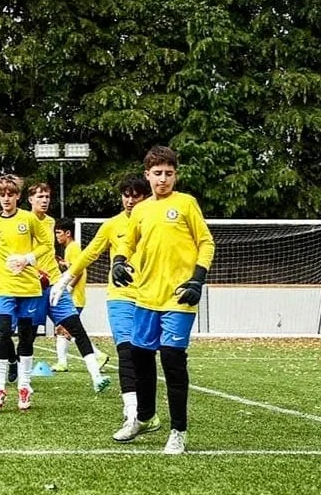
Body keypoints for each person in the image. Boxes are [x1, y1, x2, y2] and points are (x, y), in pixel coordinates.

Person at [111, 146, 214, 455]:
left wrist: (197, 279)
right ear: (148, 175)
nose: (163, 179)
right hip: (145, 297)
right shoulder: (141, 210)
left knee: (171, 360)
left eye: (169, 173)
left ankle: (178, 431)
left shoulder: (186, 204)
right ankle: (142, 417)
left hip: (179, 298)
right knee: (140, 357)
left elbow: (206, 242)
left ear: (175, 175)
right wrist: (118, 261)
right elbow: (127, 241)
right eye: (157, 173)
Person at [50, 175, 150, 433]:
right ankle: (131, 413)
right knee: (126, 350)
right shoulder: (112, 225)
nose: (130, 200)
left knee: (146, 355)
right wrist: (64, 280)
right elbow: (89, 254)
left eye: (135, 195)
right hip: (120, 296)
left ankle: (147, 411)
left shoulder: (156, 220)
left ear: (145, 196)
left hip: (152, 295)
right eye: (126, 195)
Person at [27, 184, 110, 394]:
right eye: (40, 196)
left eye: (47, 196)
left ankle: (96, 377)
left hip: (55, 285)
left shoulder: (51, 222)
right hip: (32, 287)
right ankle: (22, 380)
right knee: (27, 334)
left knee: (76, 329)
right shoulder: (22, 222)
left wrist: (62, 280)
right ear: (30, 199)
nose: (44, 200)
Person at [0, 175, 50, 411]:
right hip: (5, 288)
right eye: (2, 194)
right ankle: (0, 387)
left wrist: (26, 259)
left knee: (25, 336)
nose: (6, 198)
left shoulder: (28, 219)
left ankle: (24, 386)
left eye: (10, 194)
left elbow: (46, 244)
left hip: (29, 288)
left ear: (18, 196)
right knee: (2, 334)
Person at [51, 216, 84, 371]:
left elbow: (79, 270)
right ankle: (62, 362)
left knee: (63, 329)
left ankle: (97, 356)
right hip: (73, 296)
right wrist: (64, 265)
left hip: (74, 297)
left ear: (68, 233)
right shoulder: (69, 249)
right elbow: (72, 268)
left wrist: (68, 288)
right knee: (62, 329)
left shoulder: (74, 247)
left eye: (59, 233)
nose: (57, 236)